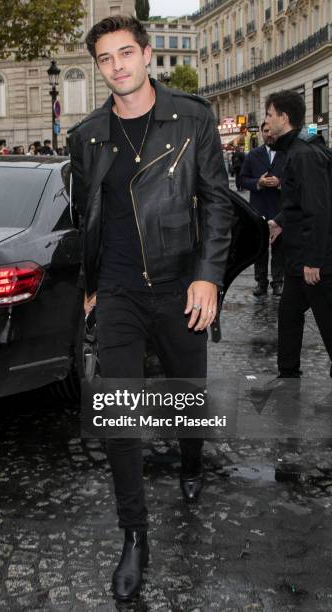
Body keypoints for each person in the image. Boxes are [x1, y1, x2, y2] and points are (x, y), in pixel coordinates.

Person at [68, 15, 233, 602]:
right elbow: (85, 215)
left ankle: (192, 460)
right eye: (105, 58)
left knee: (188, 392)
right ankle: (134, 535)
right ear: (99, 67)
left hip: (178, 283)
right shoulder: (86, 135)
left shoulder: (193, 117)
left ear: (146, 53)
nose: (117, 66)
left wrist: (208, 276)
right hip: (117, 292)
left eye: (125, 53)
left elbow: (216, 202)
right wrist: (89, 286)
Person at [254, 90, 332, 397]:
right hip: (300, 256)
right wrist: (279, 221)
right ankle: (288, 375)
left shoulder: (303, 154)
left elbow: (318, 209)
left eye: (270, 114)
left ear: (284, 117)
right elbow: (299, 203)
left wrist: (314, 261)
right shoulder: (297, 150)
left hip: (316, 260)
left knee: (328, 323)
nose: (267, 120)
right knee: (288, 314)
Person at [240, 122, 285, 297]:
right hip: (258, 209)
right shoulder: (253, 155)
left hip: (279, 210)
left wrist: (280, 182)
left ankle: (278, 282)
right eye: (265, 131)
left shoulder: (285, 154)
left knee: (279, 248)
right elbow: (242, 179)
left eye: (271, 131)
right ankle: (261, 282)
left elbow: (294, 179)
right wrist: (258, 182)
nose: (268, 134)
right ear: (261, 134)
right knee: (260, 248)